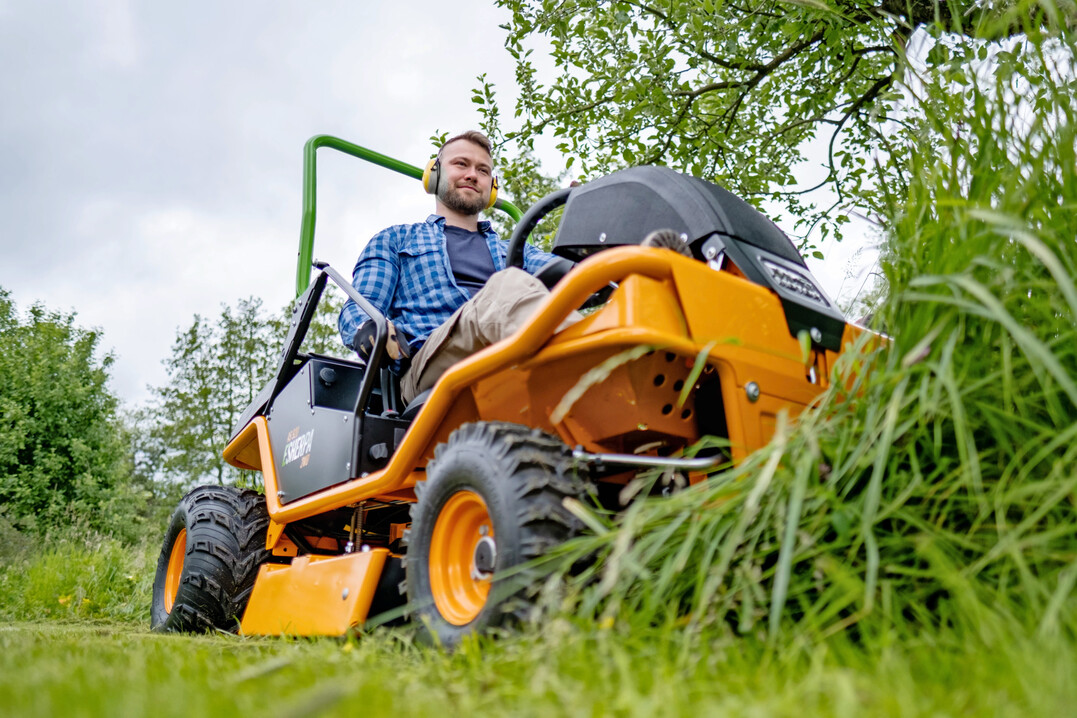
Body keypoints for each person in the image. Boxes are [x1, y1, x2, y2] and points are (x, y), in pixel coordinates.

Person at [338, 130, 578, 404]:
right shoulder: (396, 239)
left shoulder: (513, 249)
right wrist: (365, 328)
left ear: (492, 186)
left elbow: (572, 272)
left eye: (483, 170)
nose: (473, 174)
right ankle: (598, 366)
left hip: (516, 346)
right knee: (509, 284)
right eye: (461, 164)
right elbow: (360, 306)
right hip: (428, 364)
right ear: (434, 174)